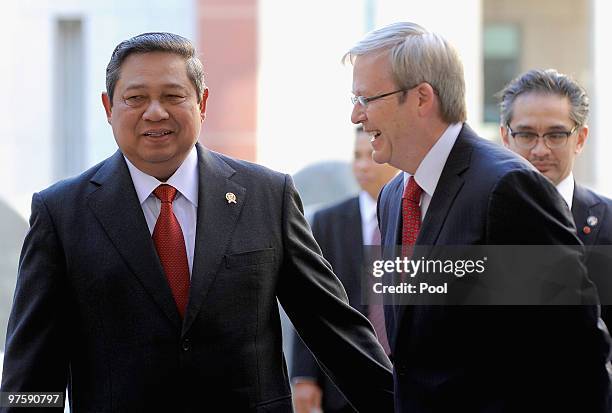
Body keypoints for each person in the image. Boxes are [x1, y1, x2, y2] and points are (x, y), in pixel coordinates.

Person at [0, 32, 393, 412]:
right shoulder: (62, 213)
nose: (155, 112)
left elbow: (332, 328)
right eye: (136, 98)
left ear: (202, 103)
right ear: (108, 107)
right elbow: (31, 370)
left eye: (173, 96)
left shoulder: (266, 196)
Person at [345, 22, 611, 412]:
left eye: (366, 99)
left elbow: (576, 350)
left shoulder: (506, 189)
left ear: (421, 98)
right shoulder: (393, 196)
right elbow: (415, 351)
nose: (356, 116)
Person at [291, 127, 397, 413]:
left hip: (406, 378)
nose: (362, 165)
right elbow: (309, 302)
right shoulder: (328, 222)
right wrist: (304, 376)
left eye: (371, 156)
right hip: (342, 379)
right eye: (356, 156)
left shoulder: (415, 216)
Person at [499, 68, 612, 330]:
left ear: (580, 139)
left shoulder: (608, 224)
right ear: (506, 137)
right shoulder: (473, 218)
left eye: (556, 135)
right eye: (526, 135)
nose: (540, 150)